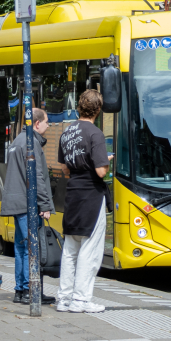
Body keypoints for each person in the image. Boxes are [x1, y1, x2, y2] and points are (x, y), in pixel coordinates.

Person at [55, 91, 112, 314]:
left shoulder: (67, 131)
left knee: (70, 248)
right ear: (98, 110)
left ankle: (64, 299)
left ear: (79, 107)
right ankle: (81, 300)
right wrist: (105, 162)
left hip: (73, 194)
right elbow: (100, 172)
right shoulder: (95, 134)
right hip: (91, 196)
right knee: (90, 249)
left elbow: (64, 168)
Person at [0, 107, 56, 305]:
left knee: (20, 247)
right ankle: (28, 290)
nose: (48, 126)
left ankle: (20, 290)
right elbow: (37, 177)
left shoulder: (17, 141)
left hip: (16, 202)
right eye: (47, 122)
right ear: (37, 123)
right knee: (31, 248)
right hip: (27, 203)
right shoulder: (31, 144)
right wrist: (45, 204)